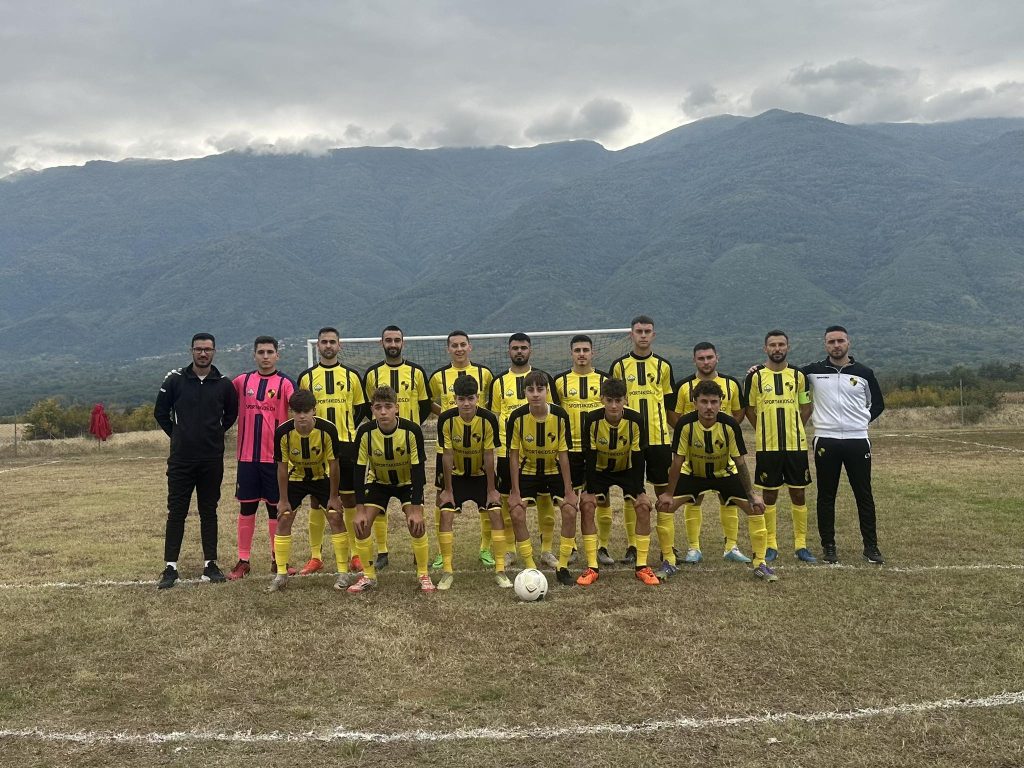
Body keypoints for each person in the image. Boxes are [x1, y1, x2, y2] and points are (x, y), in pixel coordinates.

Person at [657, 381, 774, 581]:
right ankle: (669, 560)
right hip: (693, 475)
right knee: (664, 507)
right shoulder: (685, 424)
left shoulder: (730, 425)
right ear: (695, 403)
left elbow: (740, 462)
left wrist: (751, 494)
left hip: (724, 474)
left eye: (714, 402)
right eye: (704, 402)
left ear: (721, 403)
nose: (709, 407)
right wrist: (668, 493)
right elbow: (677, 461)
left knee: (756, 508)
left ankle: (760, 564)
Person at [153, 332, 239, 589]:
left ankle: (210, 565)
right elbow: (160, 412)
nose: (203, 353)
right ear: (191, 351)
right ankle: (170, 567)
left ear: (214, 351)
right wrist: (178, 435)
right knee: (176, 512)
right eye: (198, 349)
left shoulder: (224, 384)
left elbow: (231, 415)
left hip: (211, 459)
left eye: (207, 349)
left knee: (208, 511)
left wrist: (213, 435)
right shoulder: (175, 380)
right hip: (181, 459)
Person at [803, 326, 885, 564]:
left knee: (864, 494)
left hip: (857, 440)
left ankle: (870, 547)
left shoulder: (864, 372)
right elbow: (783, 371)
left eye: (840, 341)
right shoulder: (813, 371)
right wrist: (758, 369)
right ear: (825, 345)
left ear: (848, 342)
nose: (836, 345)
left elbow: (878, 404)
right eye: (831, 342)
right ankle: (829, 547)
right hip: (826, 439)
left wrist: (861, 422)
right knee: (826, 495)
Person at [668, 342, 751, 565]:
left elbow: (739, 412)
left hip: (723, 451)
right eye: (701, 358)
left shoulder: (731, 383)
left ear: (717, 358)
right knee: (693, 499)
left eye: (709, 357)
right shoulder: (684, 386)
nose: (706, 362)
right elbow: (674, 415)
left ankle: (731, 547)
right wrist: (690, 436)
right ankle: (694, 548)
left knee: (729, 499)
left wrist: (723, 433)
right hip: (693, 453)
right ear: (694, 360)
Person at [295, 327, 367, 577]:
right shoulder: (306, 377)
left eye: (332, 342)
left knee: (349, 499)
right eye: (324, 342)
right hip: (317, 447)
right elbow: (301, 409)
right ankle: (316, 557)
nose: (328, 345)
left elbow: (360, 408)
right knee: (317, 500)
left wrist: (344, 430)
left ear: (339, 345)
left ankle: (355, 554)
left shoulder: (352, 376)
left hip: (346, 444)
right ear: (318, 345)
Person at [347, 386, 431, 593]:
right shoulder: (365, 432)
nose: (383, 412)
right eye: (378, 407)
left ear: (397, 408)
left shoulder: (412, 430)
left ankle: (423, 574)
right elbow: (358, 471)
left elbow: (418, 471)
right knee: (362, 525)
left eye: (388, 406)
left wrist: (416, 509)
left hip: (407, 482)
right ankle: (369, 576)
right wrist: (359, 509)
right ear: (372, 410)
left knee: (416, 524)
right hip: (379, 483)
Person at [267, 390, 351, 592]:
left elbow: (334, 465)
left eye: (306, 411)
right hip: (296, 478)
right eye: (297, 411)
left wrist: (334, 496)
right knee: (284, 518)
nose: (302, 416)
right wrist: (283, 500)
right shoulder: (283, 432)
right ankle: (281, 575)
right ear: (291, 412)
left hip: (321, 477)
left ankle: (343, 572)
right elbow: (282, 467)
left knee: (335, 516)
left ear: (314, 410)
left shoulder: (327, 429)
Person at [743, 330, 815, 563]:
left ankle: (801, 545)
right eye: (772, 345)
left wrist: (796, 427)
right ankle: (771, 544)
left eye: (781, 344)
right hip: (768, 446)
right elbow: (749, 409)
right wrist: (763, 429)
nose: (777, 348)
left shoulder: (798, 375)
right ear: (765, 348)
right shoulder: (755, 377)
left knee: (798, 493)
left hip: (795, 445)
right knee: (769, 494)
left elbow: (806, 407)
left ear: (787, 347)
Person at [227, 336, 296, 580]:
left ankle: (278, 560)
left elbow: (300, 410)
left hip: (274, 459)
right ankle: (243, 560)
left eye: (269, 352)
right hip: (247, 458)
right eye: (261, 352)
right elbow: (220, 397)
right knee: (247, 508)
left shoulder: (286, 383)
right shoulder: (241, 381)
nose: (265, 356)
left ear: (277, 355)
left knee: (275, 510)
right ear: (254, 355)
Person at [609, 315, 675, 566]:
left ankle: (667, 547)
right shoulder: (619, 366)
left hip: (658, 438)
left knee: (663, 492)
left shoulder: (663, 366)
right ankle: (633, 546)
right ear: (631, 335)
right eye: (639, 331)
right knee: (631, 492)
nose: (643, 335)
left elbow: (668, 403)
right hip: (630, 439)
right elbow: (615, 402)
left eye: (648, 331)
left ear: (653, 335)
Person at [363, 325, 431, 570]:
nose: (393, 344)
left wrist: (410, 428)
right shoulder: (372, 374)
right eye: (388, 340)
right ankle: (382, 552)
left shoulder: (417, 372)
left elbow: (425, 405)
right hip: (380, 443)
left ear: (403, 342)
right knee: (378, 498)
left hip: (408, 442)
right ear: (381, 343)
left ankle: (417, 551)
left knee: (415, 497)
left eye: (397, 340)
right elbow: (367, 405)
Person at [578, 379, 659, 586]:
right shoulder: (592, 419)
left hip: (627, 469)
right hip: (600, 470)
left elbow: (639, 456)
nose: (614, 406)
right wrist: (589, 489)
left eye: (618, 400)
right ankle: (592, 566)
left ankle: (641, 566)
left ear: (626, 400)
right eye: (609, 400)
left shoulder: (636, 419)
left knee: (643, 506)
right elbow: (590, 455)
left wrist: (640, 491)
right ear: (601, 400)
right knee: (586, 505)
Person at [489, 333, 557, 568]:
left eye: (524, 347)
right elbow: (495, 416)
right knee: (510, 503)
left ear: (530, 350)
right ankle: (510, 550)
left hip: (540, 451)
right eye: (515, 348)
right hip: (507, 452)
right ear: (509, 351)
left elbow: (553, 413)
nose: (519, 351)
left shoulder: (543, 379)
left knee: (545, 503)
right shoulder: (499, 382)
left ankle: (546, 550)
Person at [428, 330, 495, 567]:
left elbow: (492, 402)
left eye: (462, 344)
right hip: (448, 445)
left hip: (478, 443)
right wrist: (445, 415)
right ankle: (441, 551)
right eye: (454, 345)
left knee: (487, 500)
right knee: (442, 498)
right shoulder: (438, 376)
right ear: (448, 349)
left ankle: (486, 549)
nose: (458, 349)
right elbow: (428, 402)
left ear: (470, 347)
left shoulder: (485, 374)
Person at [506, 371, 578, 586]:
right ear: (525, 393)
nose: (535, 394)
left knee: (569, 510)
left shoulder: (560, 415)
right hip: (528, 470)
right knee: (516, 512)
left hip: (553, 469)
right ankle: (530, 566)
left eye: (540, 389)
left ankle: (562, 566)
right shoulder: (517, 417)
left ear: (547, 391)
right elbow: (513, 455)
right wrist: (515, 491)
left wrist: (569, 490)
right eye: (530, 390)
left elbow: (563, 454)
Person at [435, 376, 506, 589]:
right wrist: (448, 489)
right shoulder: (445, 419)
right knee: (445, 514)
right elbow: (447, 455)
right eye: (461, 399)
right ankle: (447, 572)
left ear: (478, 398)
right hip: (456, 477)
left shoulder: (488, 419)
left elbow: (488, 454)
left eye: (470, 398)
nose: (466, 403)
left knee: (496, 512)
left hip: (480, 476)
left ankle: (500, 570)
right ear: (455, 399)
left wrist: (492, 489)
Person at [552, 335, 609, 565]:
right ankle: (572, 546)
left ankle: (602, 547)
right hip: (570, 448)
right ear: (571, 353)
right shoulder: (559, 381)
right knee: (570, 500)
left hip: (597, 448)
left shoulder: (604, 379)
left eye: (586, 350)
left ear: (593, 352)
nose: (582, 354)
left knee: (601, 499)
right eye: (577, 350)